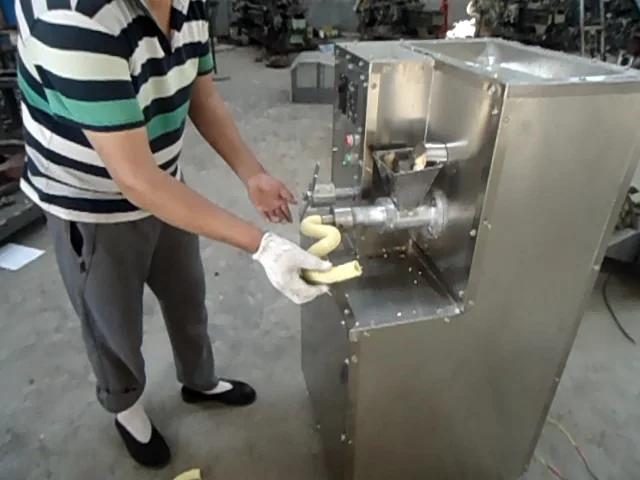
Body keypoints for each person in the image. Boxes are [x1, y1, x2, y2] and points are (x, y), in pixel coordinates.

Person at [16, 0, 332, 468]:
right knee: (112, 322)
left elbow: (202, 97)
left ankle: (199, 380)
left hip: (165, 180)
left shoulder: (186, 3)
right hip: (92, 202)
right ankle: (125, 407)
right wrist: (262, 245)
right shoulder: (76, 19)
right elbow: (136, 180)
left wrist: (253, 174)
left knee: (187, 292)